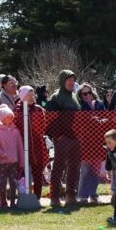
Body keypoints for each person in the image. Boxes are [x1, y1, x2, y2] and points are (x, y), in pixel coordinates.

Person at [45, 70, 82, 207]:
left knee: (74, 167)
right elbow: (50, 119)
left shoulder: (75, 97)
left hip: (75, 138)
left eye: (73, 80)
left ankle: (71, 196)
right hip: (62, 138)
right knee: (58, 167)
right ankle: (54, 197)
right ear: (62, 81)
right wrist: (58, 135)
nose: (71, 82)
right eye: (68, 80)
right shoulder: (55, 97)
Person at [14, 86, 48, 200]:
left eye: (33, 95)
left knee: (37, 171)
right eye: (29, 95)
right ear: (22, 96)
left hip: (36, 145)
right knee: (21, 172)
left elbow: (42, 126)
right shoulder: (16, 110)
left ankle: (37, 197)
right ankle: (23, 196)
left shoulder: (38, 109)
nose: (31, 97)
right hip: (21, 144)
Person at [77, 82, 106, 203]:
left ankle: (93, 194)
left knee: (96, 169)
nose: (87, 95)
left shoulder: (99, 104)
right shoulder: (80, 106)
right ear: (80, 95)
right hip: (86, 141)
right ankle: (83, 196)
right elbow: (82, 122)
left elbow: (106, 118)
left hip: (99, 141)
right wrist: (96, 121)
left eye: (89, 92)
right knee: (85, 170)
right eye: (84, 94)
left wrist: (99, 121)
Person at [0, 105, 23, 208]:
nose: (10, 118)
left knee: (13, 183)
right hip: (3, 162)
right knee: (2, 183)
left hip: (14, 162)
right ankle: (3, 202)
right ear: (2, 118)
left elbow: (20, 147)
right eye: (7, 116)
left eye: (11, 116)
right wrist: (2, 153)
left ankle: (13, 202)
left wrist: (21, 161)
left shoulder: (16, 131)